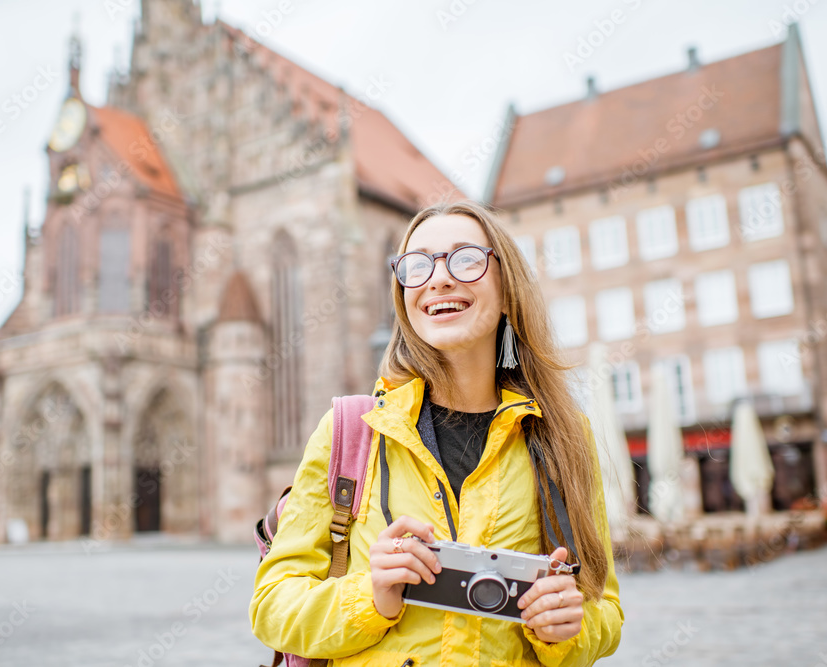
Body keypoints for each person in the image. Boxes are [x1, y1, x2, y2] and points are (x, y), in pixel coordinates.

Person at [250, 200, 623, 666]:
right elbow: (271, 608)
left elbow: (604, 609)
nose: (439, 278)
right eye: (417, 264)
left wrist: (568, 627)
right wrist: (372, 595)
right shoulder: (352, 430)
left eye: (466, 259)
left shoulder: (563, 435)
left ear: (507, 289)